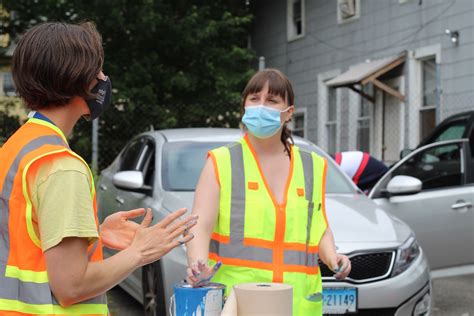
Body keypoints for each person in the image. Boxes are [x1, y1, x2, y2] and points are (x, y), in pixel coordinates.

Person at [0, 22, 197, 315]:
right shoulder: (62, 167)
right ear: (78, 79)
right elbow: (71, 286)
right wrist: (139, 252)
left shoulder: (18, 147)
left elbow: (22, 238)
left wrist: (92, 234)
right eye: (98, 70)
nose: (104, 78)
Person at [186, 69, 351, 315]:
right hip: (240, 304)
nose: (261, 106)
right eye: (254, 99)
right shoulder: (222, 162)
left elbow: (318, 227)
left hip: (298, 305)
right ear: (244, 105)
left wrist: (332, 257)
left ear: (289, 113)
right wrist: (197, 265)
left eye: (272, 100)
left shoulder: (313, 166)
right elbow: (199, 225)